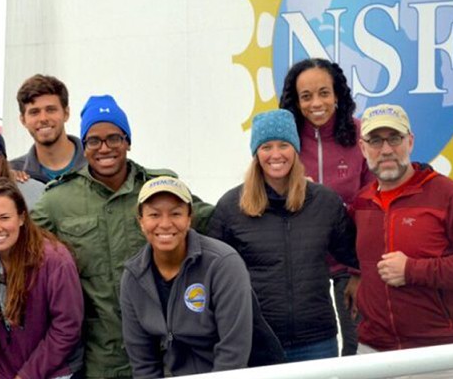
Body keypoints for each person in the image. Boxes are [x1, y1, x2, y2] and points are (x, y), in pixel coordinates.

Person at [32, 95, 213, 379]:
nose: (105, 148)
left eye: (114, 138)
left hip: (168, 356)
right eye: (94, 141)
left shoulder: (159, 187)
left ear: (127, 141)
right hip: (102, 360)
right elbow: (15, 242)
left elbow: (214, 221)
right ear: (84, 146)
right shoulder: (57, 201)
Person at [349, 105, 453, 378]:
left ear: (410, 141)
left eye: (395, 138)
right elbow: (350, 252)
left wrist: (412, 270)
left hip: (443, 356)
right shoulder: (361, 202)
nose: (386, 150)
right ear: (362, 147)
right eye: (375, 140)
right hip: (373, 353)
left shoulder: (448, 195)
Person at [206, 109, 359, 362]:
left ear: (296, 150)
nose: (276, 155)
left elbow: (354, 256)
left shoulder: (324, 202)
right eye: (266, 146)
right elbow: (213, 274)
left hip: (317, 342)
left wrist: (356, 279)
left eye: (284, 145)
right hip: (258, 341)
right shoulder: (232, 207)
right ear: (256, 153)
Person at [120, 177, 285, 377]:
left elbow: (233, 353)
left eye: (176, 213)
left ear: (189, 218)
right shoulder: (133, 277)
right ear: (141, 222)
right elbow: (144, 363)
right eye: (154, 214)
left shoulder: (223, 263)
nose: (165, 224)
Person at [279, 57, 372, 356]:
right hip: (305, 262)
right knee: (316, 350)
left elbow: (373, 203)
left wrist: (359, 271)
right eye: (306, 96)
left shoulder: (360, 135)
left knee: (356, 346)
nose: (316, 103)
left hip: (351, 260)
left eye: (324, 92)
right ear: (295, 100)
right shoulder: (285, 141)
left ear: (337, 95)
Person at [0, 180, 83, 379]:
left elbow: (67, 328)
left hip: (51, 371)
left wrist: (27, 375)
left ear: (21, 218)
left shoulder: (55, 261)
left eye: (4, 217)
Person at [9, 74, 85, 184]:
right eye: (34, 112)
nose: (43, 118)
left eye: (51, 110)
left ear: (66, 113)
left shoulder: (96, 164)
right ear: (23, 120)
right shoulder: (13, 173)